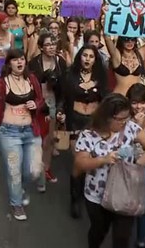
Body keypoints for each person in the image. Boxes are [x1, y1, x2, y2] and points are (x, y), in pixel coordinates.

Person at [74, 93, 145, 248]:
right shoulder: (89, 135)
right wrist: (103, 160)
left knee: (122, 238)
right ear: (107, 117)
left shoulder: (130, 128)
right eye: (120, 119)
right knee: (99, 231)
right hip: (97, 196)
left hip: (125, 193)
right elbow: (80, 163)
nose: (124, 122)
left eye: (126, 118)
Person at [0, 49, 45, 221]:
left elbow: (41, 100)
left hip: (31, 131)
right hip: (9, 133)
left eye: (22, 59)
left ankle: (21, 188)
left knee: (33, 170)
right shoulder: (1, 84)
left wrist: (36, 104)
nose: (19, 62)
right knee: (14, 171)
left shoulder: (32, 79)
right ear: (8, 63)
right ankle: (16, 203)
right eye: (15, 60)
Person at [57, 45, 108, 219]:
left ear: (95, 59)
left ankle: (91, 196)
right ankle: (75, 199)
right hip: (75, 121)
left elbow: (106, 100)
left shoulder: (101, 78)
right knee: (79, 161)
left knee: (92, 159)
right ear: (80, 57)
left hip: (94, 123)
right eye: (84, 55)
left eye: (91, 56)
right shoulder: (70, 76)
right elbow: (62, 99)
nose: (87, 59)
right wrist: (60, 113)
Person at [28, 30, 68, 189]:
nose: (51, 47)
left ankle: (46, 169)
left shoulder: (61, 62)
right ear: (41, 47)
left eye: (53, 44)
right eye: (48, 45)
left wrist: (61, 107)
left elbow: (65, 86)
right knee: (37, 139)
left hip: (53, 103)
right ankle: (37, 169)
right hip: (38, 104)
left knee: (49, 140)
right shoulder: (34, 63)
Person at [125, 83, 145, 248]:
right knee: (128, 207)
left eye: (142, 102)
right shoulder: (123, 119)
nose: (139, 106)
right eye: (134, 102)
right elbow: (121, 144)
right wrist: (133, 124)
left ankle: (142, 240)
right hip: (128, 167)